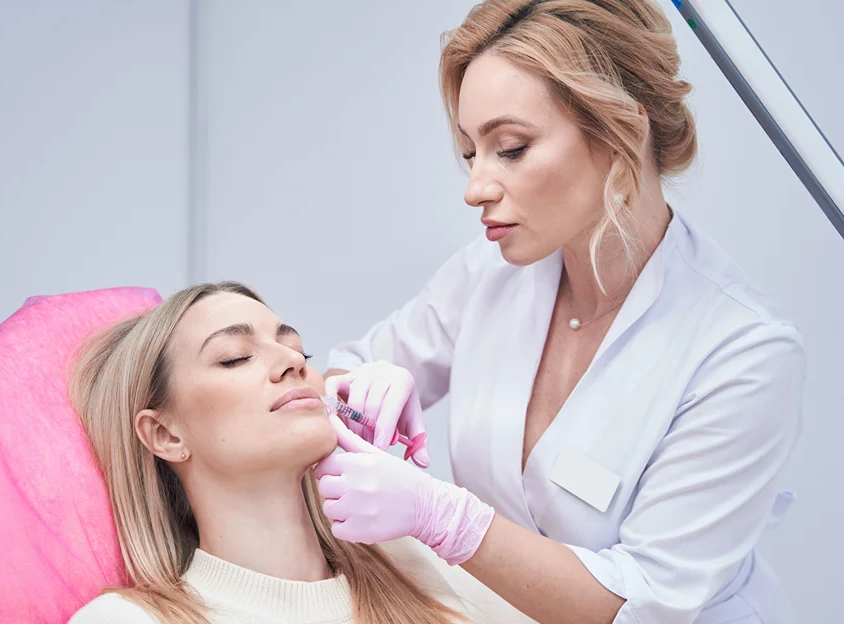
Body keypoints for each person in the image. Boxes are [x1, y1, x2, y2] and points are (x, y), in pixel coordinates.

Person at [318, 1, 804, 623]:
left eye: (511, 148)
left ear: (622, 129)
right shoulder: (487, 274)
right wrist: (359, 396)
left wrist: (446, 520)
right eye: (472, 153)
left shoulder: (744, 352)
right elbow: (343, 373)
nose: (475, 188)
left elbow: (639, 602)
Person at [66, 282, 469, 624]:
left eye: (301, 351)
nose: (293, 361)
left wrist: (451, 523)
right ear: (165, 434)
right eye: (235, 357)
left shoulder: (419, 566)